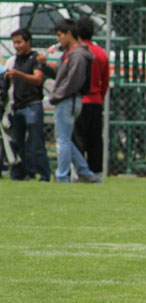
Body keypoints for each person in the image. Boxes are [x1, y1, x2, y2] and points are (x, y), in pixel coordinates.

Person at [37, 18, 98, 183]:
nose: (58, 40)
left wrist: (56, 96)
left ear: (69, 34)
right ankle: (85, 172)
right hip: (67, 100)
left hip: (68, 100)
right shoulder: (68, 54)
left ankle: (62, 176)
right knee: (66, 138)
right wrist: (44, 65)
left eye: (60, 35)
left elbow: (73, 81)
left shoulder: (78, 55)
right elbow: (57, 73)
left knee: (62, 140)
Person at [4, 28, 50, 181]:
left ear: (28, 42)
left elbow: (38, 79)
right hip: (17, 106)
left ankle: (43, 174)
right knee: (17, 143)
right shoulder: (13, 61)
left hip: (33, 105)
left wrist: (18, 74)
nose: (16, 46)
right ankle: (20, 174)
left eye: (19, 42)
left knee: (36, 142)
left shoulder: (35, 59)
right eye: (14, 43)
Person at [72, 16, 109, 181]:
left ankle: (80, 172)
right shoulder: (101, 53)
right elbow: (105, 80)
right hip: (96, 101)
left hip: (80, 100)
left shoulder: (76, 52)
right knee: (95, 139)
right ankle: (96, 172)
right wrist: (100, 96)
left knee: (78, 138)